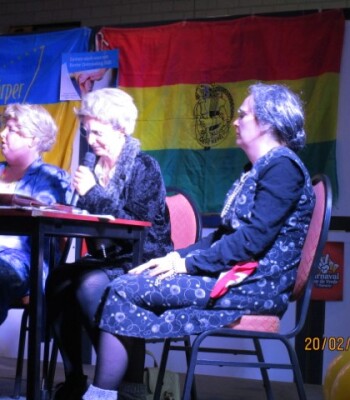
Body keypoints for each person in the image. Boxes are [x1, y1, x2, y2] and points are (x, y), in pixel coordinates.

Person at [81, 83, 316, 400]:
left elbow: (251, 242)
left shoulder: (283, 167)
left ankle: (103, 395)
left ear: (267, 123)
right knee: (128, 282)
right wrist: (176, 258)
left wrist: (187, 265)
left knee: (123, 288)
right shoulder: (259, 169)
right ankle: (124, 392)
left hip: (254, 286)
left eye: (243, 115)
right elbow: (223, 237)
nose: (235, 121)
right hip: (237, 278)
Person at [45, 87, 173, 400]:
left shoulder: (144, 167)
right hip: (105, 257)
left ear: (121, 129)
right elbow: (86, 216)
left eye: (98, 133)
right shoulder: (94, 167)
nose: (91, 141)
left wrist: (93, 193)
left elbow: (138, 223)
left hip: (144, 257)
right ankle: (75, 378)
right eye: (87, 132)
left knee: (89, 285)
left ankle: (120, 384)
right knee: (59, 279)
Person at [0, 103, 71, 325]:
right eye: (4, 127)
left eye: (11, 129)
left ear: (33, 138)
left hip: (23, 261)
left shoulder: (51, 178)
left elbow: (43, 220)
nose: (2, 134)